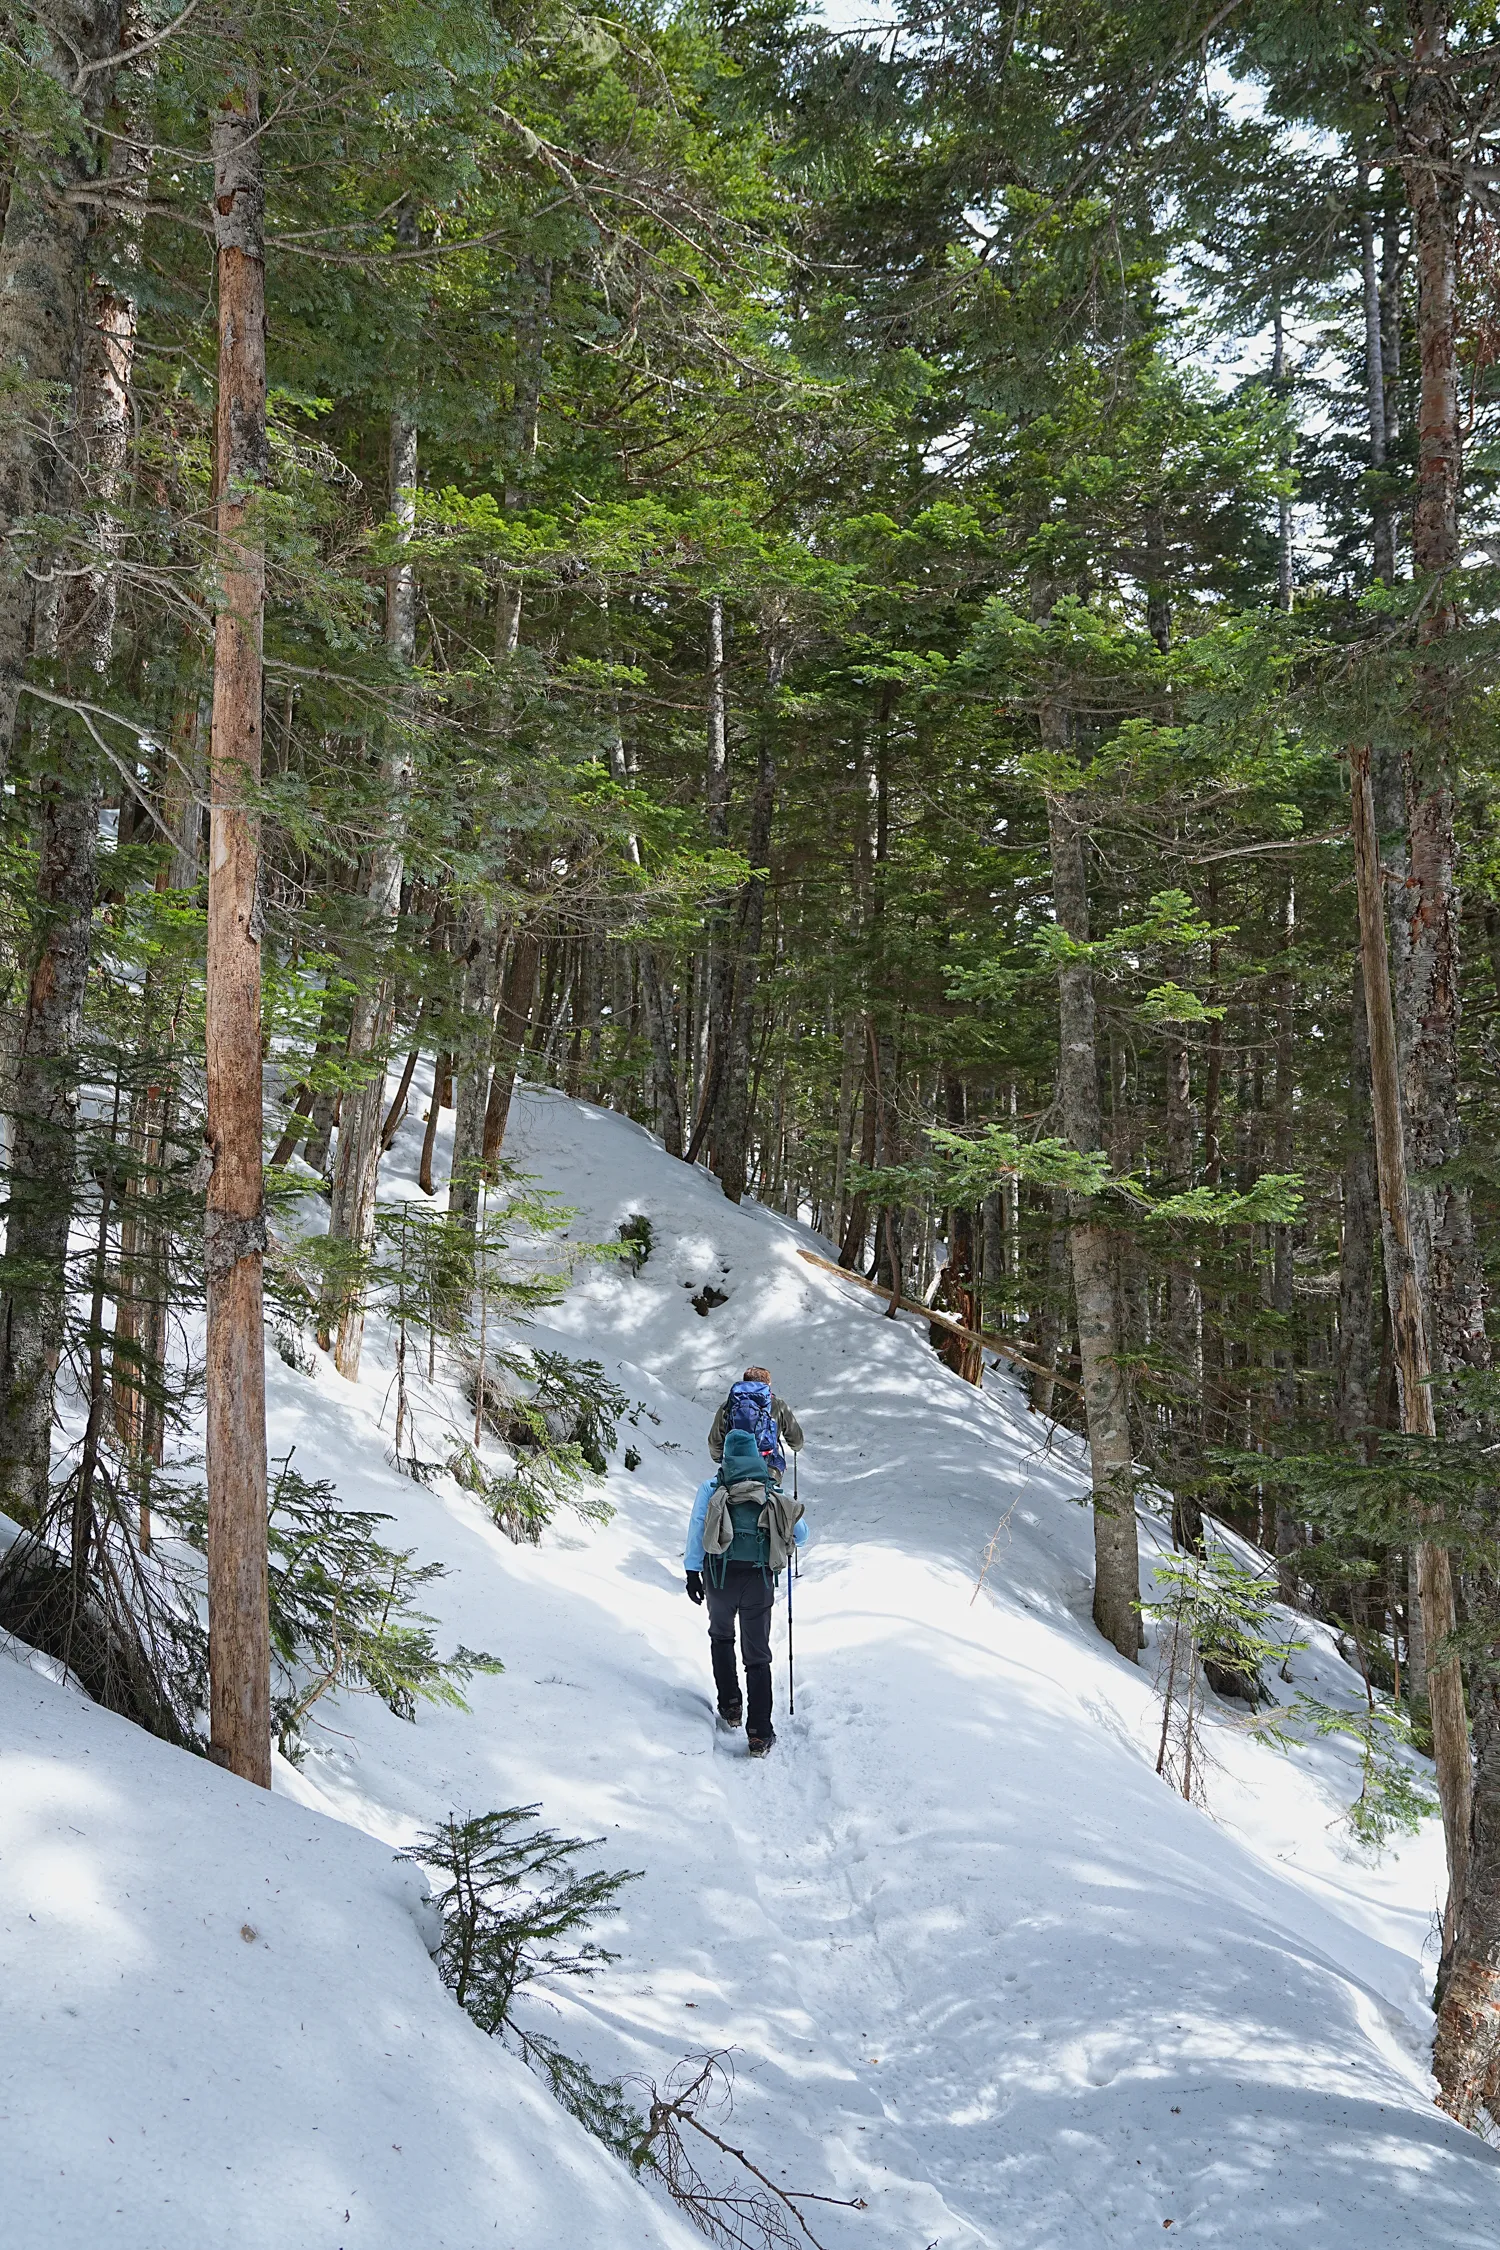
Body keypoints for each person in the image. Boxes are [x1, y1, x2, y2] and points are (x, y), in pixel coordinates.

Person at [684, 1424, 807, 1757]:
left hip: (719, 1578)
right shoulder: (770, 1488)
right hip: (759, 1581)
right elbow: (802, 1531)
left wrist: (692, 1571)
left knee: (721, 1637)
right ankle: (759, 1734)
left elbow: (698, 1528)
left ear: (725, 1456)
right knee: (758, 1657)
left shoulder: (712, 1487)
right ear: (756, 1455)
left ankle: (731, 1705)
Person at [707, 1365, 803, 1478]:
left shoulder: (729, 1405)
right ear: (767, 1385)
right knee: (771, 1493)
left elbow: (714, 1442)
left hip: (735, 1467)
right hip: (767, 1467)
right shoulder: (778, 1405)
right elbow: (796, 1441)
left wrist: (719, 1458)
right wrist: (796, 1447)